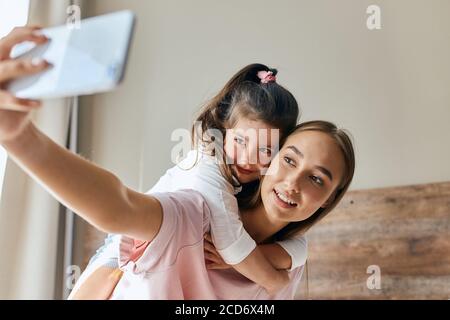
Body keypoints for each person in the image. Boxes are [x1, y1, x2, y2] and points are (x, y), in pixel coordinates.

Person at [0, 27, 355, 299]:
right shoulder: (199, 207)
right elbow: (119, 204)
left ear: (330, 200)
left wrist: (278, 267)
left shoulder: (290, 259)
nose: (294, 182)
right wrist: (19, 138)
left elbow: (290, 256)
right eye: (290, 160)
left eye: (318, 180)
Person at [78, 62, 306, 298]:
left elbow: (300, 247)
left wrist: (275, 255)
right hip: (121, 252)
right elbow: (232, 246)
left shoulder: (256, 186)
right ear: (224, 131)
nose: (248, 158)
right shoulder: (207, 167)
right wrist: (277, 280)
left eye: (265, 150)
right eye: (240, 141)